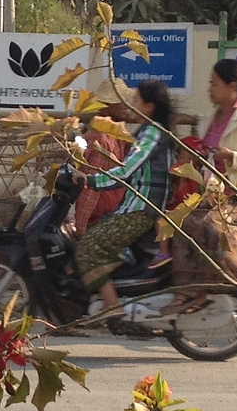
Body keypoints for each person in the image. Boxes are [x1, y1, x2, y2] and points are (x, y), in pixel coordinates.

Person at [160, 58, 237, 315]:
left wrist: (231, 156)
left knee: (196, 224)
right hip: (210, 194)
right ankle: (184, 289)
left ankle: (196, 291)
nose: (210, 89)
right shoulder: (215, 116)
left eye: (214, 84)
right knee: (173, 217)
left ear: (233, 86)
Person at [72, 80, 176, 318]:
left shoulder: (151, 132)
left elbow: (126, 170)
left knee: (87, 248)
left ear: (149, 107)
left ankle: (114, 309)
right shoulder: (136, 132)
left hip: (140, 210)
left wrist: (89, 181)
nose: (130, 105)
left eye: (136, 100)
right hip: (132, 207)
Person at [73, 78, 133, 237]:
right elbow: (91, 189)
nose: (127, 105)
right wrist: (81, 227)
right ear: (108, 106)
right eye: (121, 101)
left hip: (113, 216)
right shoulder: (101, 140)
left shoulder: (118, 137)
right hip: (99, 221)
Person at [148, 135, 205, 269]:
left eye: (190, 159)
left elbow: (188, 198)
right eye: (181, 157)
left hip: (189, 211)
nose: (184, 162)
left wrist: (184, 180)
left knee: (162, 220)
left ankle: (164, 253)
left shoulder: (195, 177)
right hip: (175, 207)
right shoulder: (177, 173)